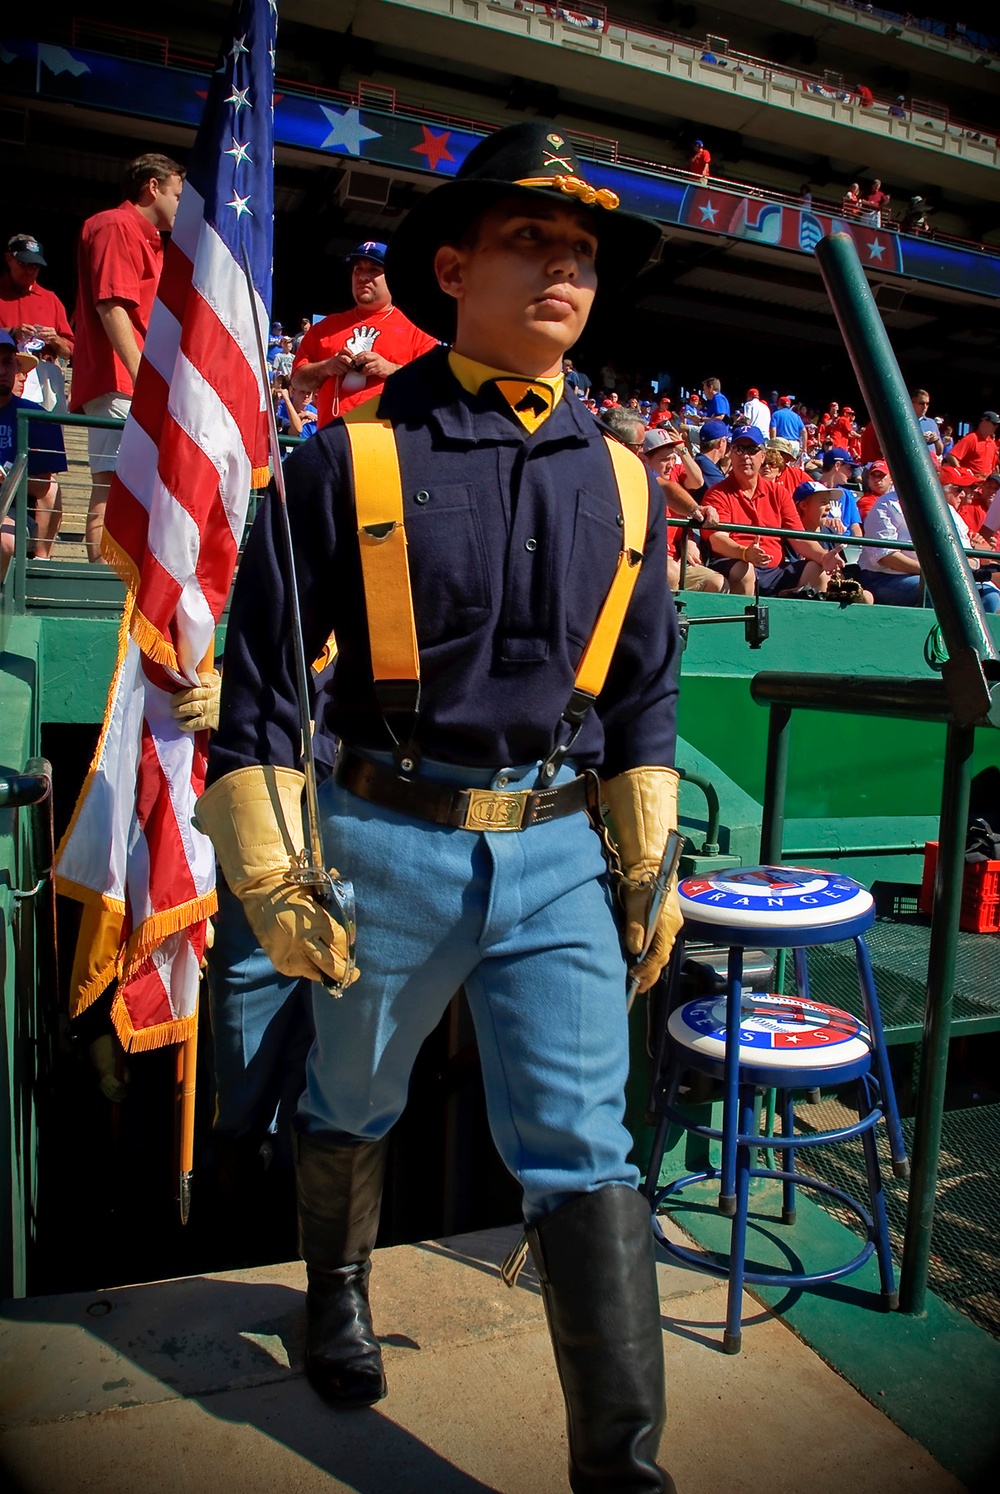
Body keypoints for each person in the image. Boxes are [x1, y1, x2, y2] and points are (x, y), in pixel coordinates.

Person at [195, 122, 681, 1492]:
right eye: (534, 240)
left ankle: (623, 1469)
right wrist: (277, 872)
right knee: (352, 1090)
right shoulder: (342, 461)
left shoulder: (631, 479)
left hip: (555, 853)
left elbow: (642, 696)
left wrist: (646, 851)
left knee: (590, 1145)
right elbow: (261, 694)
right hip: (384, 837)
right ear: (452, 267)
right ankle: (335, 1295)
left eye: (580, 251)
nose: (564, 269)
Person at [71, 151, 185, 562]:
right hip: (121, 381)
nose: (181, 203)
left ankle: (115, 586)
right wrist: (143, 379)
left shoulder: (146, 238)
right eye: (178, 193)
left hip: (126, 380)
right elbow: (111, 307)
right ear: (153, 187)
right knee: (116, 487)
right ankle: (103, 588)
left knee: (125, 486)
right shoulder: (118, 225)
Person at [290, 241, 436, 427]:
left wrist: (390, 370)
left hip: (390, 444)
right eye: (358, 269)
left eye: (374, 269)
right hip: (334, 442)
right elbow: (298, 381)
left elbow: (434, 388)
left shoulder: (417, 330)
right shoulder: (325, 328)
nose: (363, 277)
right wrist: (327, 366)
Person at [706, 424, 844, 596]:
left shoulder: (779, 492)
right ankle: (743, 621)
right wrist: (745, 553)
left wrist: (824, 557)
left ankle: (798, 617)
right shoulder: (718, 493)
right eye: (739, 449)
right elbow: (717, 540)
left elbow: (799, 537)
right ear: (730, 453)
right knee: (744, 570)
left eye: (752, 449)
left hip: (774, 570)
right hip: (735, 562)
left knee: (817, 569)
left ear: (763, 456)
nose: (746, 456)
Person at [0, 331, 69, 574]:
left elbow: (44, 487)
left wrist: (7, 478)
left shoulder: (35, 416)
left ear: (17, 367)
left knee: (4, 543)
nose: (1, 371)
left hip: (10, 511)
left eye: (7, 362)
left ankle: (40, 566)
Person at [0, 234, 74, 370]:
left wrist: (54, 340)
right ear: (9, 259)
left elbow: (68, 352)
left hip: (41, 380)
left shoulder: (51, 300)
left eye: (35, 266)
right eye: (23, 264)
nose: (29, 271)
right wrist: (11, 333)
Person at [944, 412, 999, 478]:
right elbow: (951, 456)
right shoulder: (971, 438)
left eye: (997, 425)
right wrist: (963, 474)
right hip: (970, 485)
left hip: (986, 485)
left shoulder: (992, 443)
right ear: (984, 422)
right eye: (994, 424)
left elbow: (993, 466)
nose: (996, 427)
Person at [695, 419, 729, 488]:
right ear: (720, 443)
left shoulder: (702, 461)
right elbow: (726, 491)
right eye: (726, 440)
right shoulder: (704, 464)